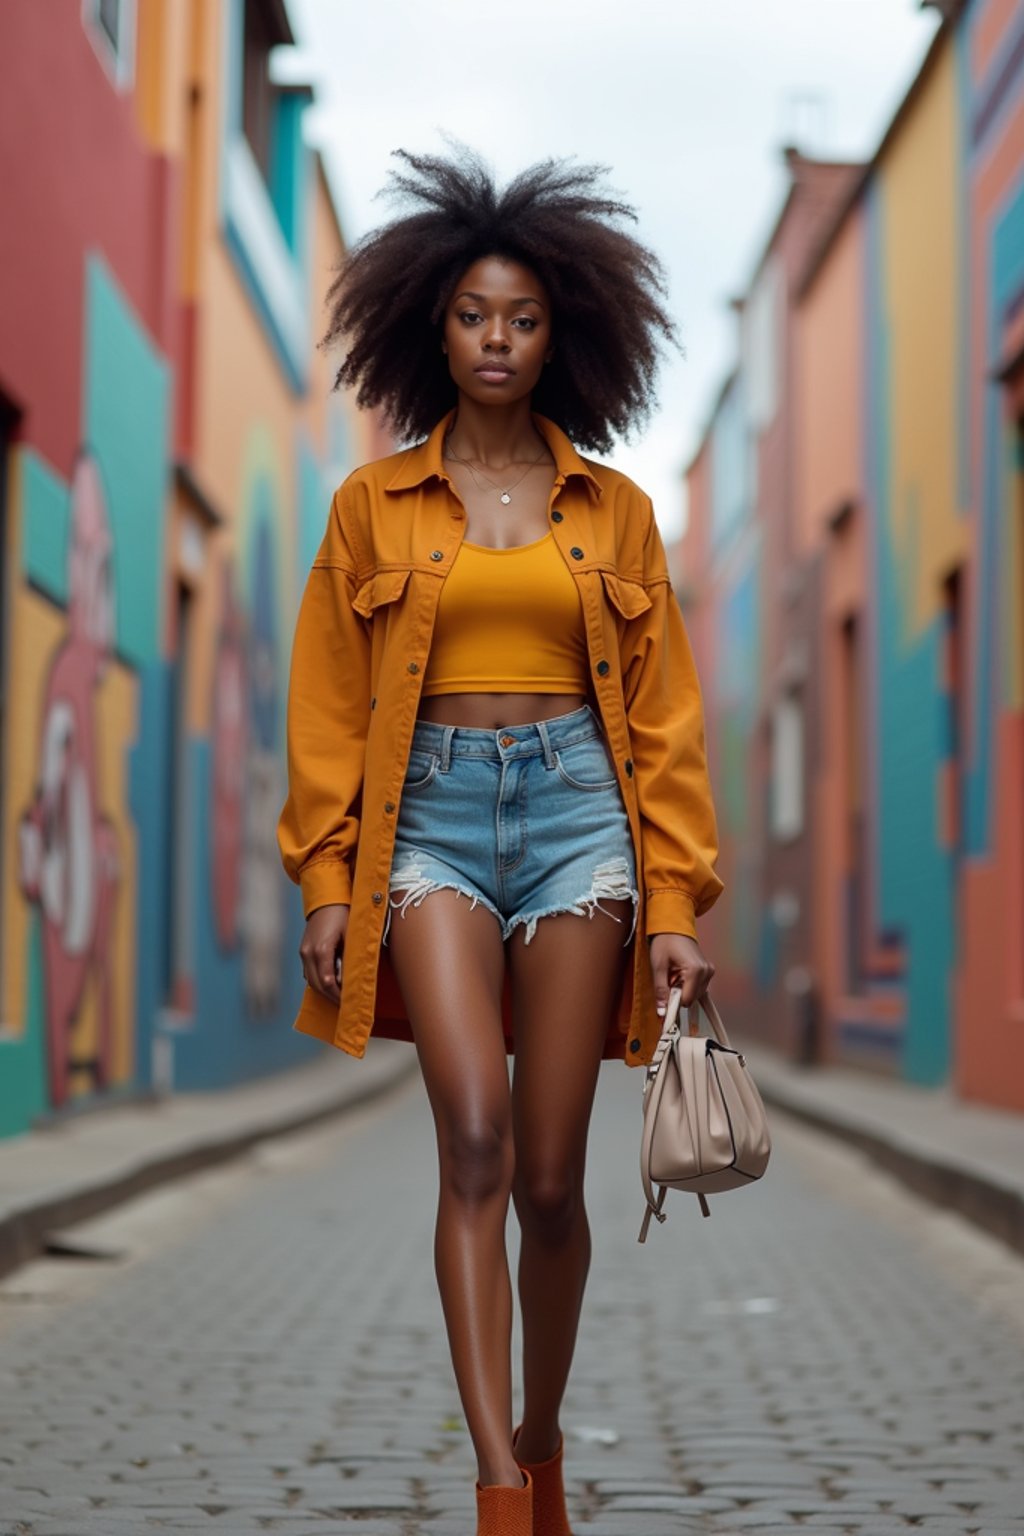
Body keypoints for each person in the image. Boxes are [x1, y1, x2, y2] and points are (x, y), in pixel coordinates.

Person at [277, 146, 723, 1536]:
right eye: (474, 314)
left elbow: (662, 721)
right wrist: (330, 872)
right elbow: (333, 708)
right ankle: (494, 1491)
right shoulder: (372, 509)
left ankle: (542, 1440)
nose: (497, 340)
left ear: (564, 332)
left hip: (582, 822)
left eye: (523, 318)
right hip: (432, 830)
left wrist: (673, 901)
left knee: (547, 1180)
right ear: (434, 323)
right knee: (468, 1142)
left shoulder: (617, 515)